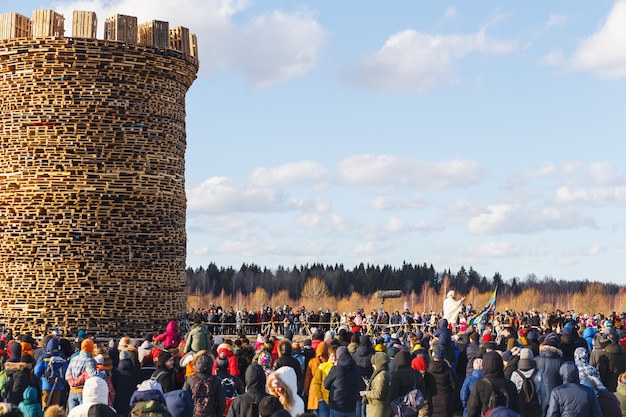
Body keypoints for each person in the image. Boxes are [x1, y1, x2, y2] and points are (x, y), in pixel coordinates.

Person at [466, 351, 520, 417]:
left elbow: (471, 411)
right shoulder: (511, 385)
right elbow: (517, 409)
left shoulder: (479, 385)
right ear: (501, 365)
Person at [65, 339, 106, 410]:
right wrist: (105, 373)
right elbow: (93, 375)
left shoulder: (74, 358)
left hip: (72, 392)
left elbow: (67, 375)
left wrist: (73, 382)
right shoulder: (89, 360)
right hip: (83, 392)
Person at [510, 348, 547, 417]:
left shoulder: (515, 374)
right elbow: (544, 394)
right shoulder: (539, 373)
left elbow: (512, 394)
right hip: (535, 409)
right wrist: (542, 409)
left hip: (520, 408)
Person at [324, 346, 360, 417]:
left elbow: (326, 384)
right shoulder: (355, 369)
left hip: (337, 404)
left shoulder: (336, 369)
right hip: (351, 405)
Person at [33, 338, 67, 408]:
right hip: (58, 385)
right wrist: (63, 383)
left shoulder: (44, 357)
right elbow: (66, 371)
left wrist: (37, 381)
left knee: (45, 406)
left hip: (45, 385)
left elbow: (37, 371)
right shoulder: (62, 357)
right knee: (55, 407)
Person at [428, 346, 457, 417]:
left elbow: (426, 385)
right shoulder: (448, 370)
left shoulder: (429, 371)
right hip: (446, 399)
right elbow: (454, 386)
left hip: (433, 399)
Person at [360, 352, 391, 417]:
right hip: (381, 408)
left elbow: (378, 393)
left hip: (377, 410)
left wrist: (366, 393)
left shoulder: (381, 376)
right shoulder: (386, 373)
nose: (372, 366)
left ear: (379, 363)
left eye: (374, 364)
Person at [112, 349, 138, 417]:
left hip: (119, 399)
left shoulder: (116, 371)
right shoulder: (135, 370)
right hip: (133, 399)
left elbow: (113, 385)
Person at [305, 341, 329, 413]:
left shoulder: (312, 361)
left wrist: (306, 389)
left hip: (314, 387)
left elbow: (308, 377)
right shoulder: (329, 361)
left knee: (315, 411)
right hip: (325, 388)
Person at [312, 346, 336, 417]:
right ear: (329, 356)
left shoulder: (340, 367)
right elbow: (316, 382)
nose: (334, 358)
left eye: (335, 356)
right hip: (324, 399)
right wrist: (319, 397)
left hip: (335, 400)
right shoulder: (322, 366)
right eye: (332, 356)